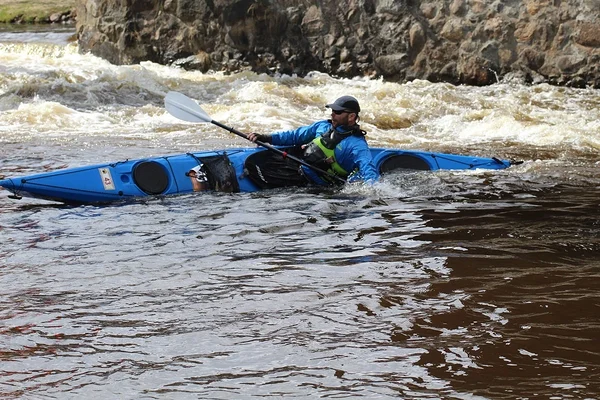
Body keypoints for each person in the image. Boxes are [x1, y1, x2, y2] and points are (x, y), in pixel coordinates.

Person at [246, 95, 379, 187]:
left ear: (351, 116)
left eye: (338, 112)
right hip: (297, 165)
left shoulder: (356, 145)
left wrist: (371, 192)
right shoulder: (323, 126)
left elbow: (368, 169)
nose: (332, 114)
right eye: (332, 110)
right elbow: (295, 135)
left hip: (313, 184)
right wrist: (267, 138)